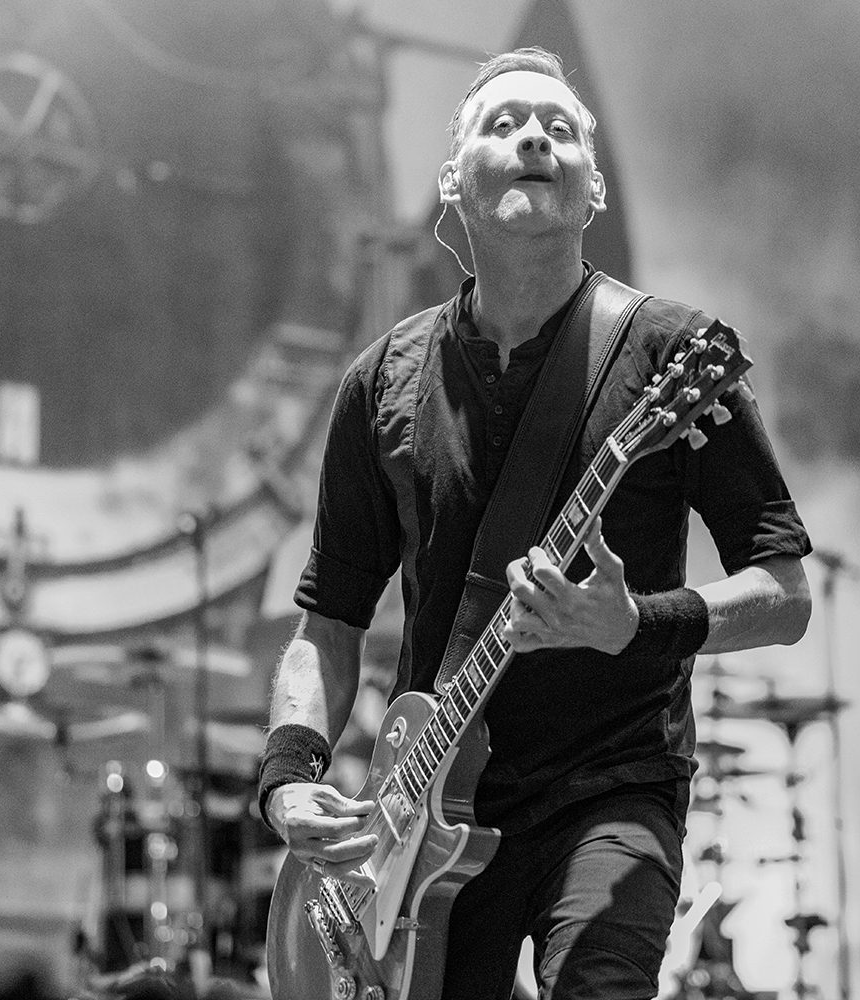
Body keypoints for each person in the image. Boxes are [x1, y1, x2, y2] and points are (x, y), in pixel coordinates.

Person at [259, 46, 812, 1000]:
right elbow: (329, 623)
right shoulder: (381, 381)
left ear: (593, 189)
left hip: (614, 785)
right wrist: (289, 772)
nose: (534, 140)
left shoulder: (674, 355)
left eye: (560, 129)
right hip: (429, 807)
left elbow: (786, 594)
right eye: (504, 123)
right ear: (452, 182)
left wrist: (637, 623)